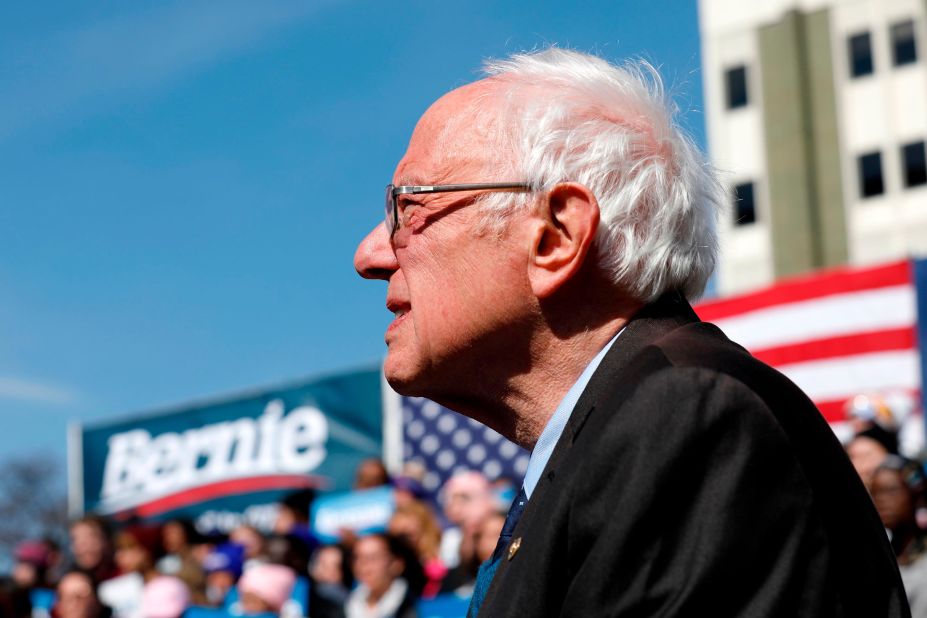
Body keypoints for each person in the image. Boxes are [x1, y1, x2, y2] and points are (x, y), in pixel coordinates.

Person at [353, 47, 908, 616]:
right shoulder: (620, 433)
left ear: (555, 237)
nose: (369, 255)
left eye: (408, 206)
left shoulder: (683, 419)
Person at [871, 456, 927, 617]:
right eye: (875, 492)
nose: (880, 500)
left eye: (890, 491)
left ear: (915, 494)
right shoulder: (879, 558)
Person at [345, 534, 419, 618]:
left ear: (397, 564)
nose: (364, 564)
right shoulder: (344, 606)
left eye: (373, 557)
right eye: (357, 557)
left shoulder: (416, 607)